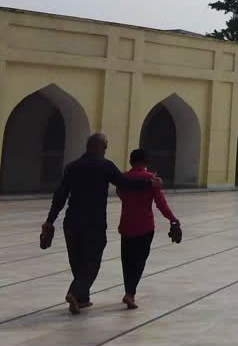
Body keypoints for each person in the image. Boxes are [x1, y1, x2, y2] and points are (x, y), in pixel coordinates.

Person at [43, 133, 159, 314]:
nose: (105, 151)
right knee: (91, 261)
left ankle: (82, 298)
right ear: (100, 147)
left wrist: (50, 220)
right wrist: (149, 184)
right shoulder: (104, 166)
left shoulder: (72, 167)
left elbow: (60, 195)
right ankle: (74, 292)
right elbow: (125, 184)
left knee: (78, 260)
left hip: (71, 221)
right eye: (105, 147)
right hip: (93, 222)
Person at [116, 149, 180, 310]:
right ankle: (130, 293)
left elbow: (121, 194)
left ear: (131, 161)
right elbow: (161, 204)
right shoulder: (152, 180)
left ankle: (128, 291)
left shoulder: (124, 178)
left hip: (126, 225)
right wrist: (173, 219)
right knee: (139, 260)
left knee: (127, 261)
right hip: (144, 226)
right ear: (146, 162)